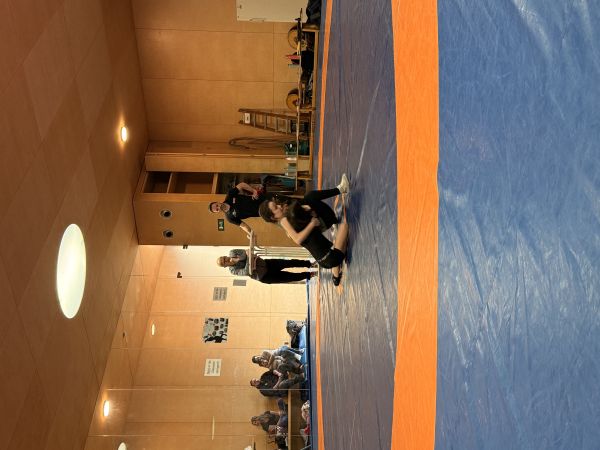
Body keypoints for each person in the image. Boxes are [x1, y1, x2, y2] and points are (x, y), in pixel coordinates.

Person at [259, 174, 350, 285]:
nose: (279, 206)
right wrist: (312, 223)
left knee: (310, 199)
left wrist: (307, 210)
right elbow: (298, 239)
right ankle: (337, 261)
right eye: (276, 208)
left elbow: (302, 219)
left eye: (276, 204)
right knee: (344, 226)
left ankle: (335, 274)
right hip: (329, 257)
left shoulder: (287, 220)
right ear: (273, 217)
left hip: (324, 261)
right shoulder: (284, 221)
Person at [209, 181, 275, 236]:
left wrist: (253, 191)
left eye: (217, 205)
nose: (218, 207)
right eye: (217, 209)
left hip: (262, 199)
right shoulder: (230, 218)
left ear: (217, 202)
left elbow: (241, 185)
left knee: (278, 201)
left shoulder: (230, 196)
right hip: (263, 211)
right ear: (217, 212)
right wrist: (250, 233)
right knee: (278, 213)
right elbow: (243, 225)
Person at [217, 249, 313, 284]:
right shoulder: (233, 271)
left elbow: (245, 252)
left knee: (289, 263)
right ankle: (309, 275)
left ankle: (309, 264)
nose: (226, 260)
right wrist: (247, 258)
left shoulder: (232, 252)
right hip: (264, 276)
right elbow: (246, 272)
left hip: (266, 263)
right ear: (225, 266)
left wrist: (240, 259)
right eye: (224, 262)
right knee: (289, 277)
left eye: (224, 258)